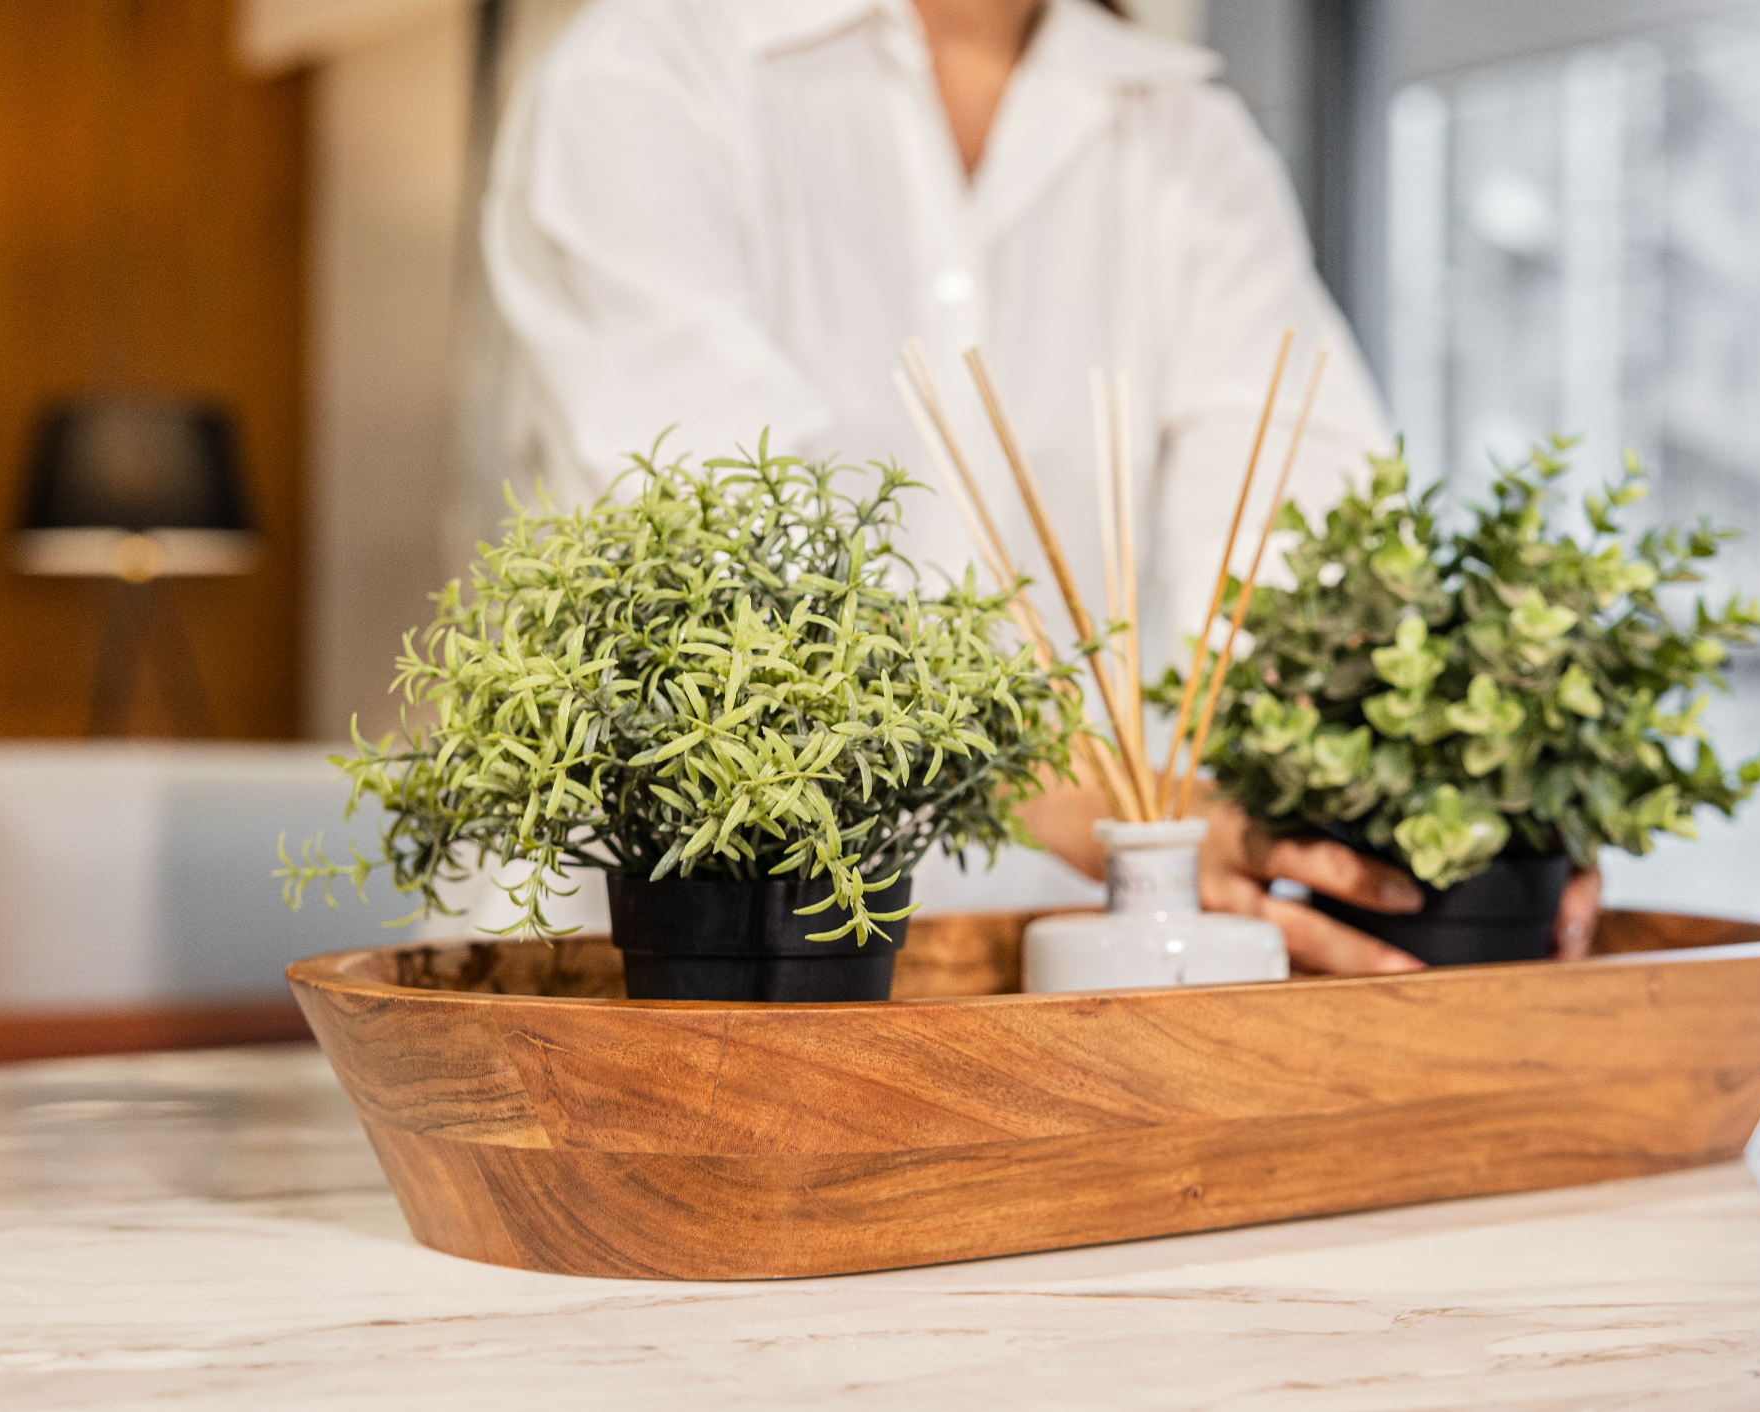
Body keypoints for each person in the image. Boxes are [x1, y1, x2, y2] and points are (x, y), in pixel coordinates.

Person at [482, 0, 1601, 970]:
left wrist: (1447, 777)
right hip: (674, 955)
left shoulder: (1185, 136)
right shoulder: (647, 68)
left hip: (1070, 968)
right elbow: (718, 534)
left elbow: (1302, 524)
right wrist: (1048, 764)